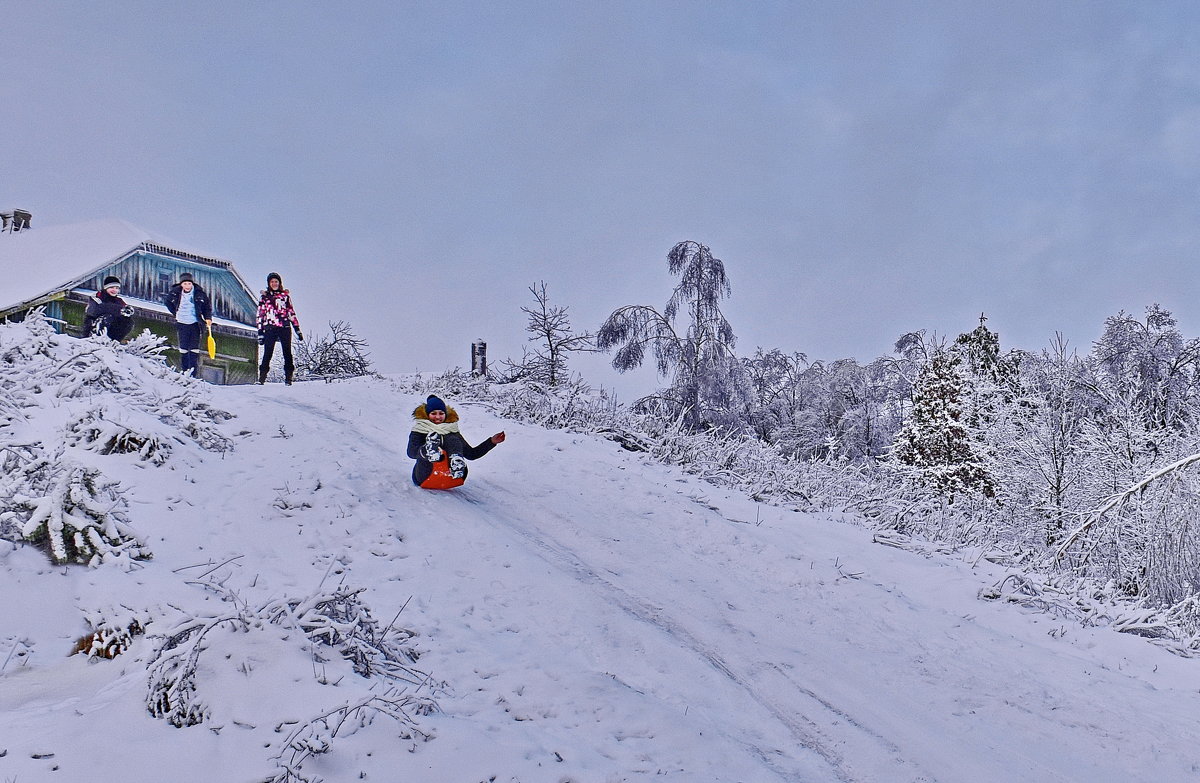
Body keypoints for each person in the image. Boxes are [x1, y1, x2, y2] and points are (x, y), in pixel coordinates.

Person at [407, 395, 505, 488]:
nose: (437, 417)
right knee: (433, 438)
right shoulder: (419, 430)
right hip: (424, 475)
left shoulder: (452, 431)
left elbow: (471, 454)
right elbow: (411, 452)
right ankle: (430, 451)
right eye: (433, 413)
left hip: (454, 477)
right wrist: (425, 451)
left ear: (446, 414)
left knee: (451, 438)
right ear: (427, 415)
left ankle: (456, 463)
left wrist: (492, 442)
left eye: (441, 413)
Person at [256, 271, 303, 385]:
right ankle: (261, 379)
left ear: (279, 283)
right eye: (272, 282)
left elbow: (291, 312)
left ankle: (288, 379)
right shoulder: (265, 297)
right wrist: (260, 332)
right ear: (269, 283)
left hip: (284, 327)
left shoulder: (285, 297)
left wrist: (297, 328)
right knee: (268, 353)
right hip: (270, 328)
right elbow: (260, 315)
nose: (274, 283)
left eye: (276, 281)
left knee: (287, 352)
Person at [164, 272, 213, 377]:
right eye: (185, 284)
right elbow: (167, 302)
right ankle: (185, 372)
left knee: (194, 348)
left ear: (192, 284)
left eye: (189, 284)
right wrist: (175, 312)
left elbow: (206, 307)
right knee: (183, 348)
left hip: (195, 323)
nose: (187, 286)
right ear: (181, 284)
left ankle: (193, 374)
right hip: (181, 322)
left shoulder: (199, 294)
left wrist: (208, 318)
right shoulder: (175, 292)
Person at [82, 275, 135, 341]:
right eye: (111, 287)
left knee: (128, 321)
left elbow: (124, 309)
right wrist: (120, 310)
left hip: (111, 331)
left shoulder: (119, 301)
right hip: (93, 329)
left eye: (117, 288)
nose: (114, 290)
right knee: (107, 317)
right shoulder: (97, 297)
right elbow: (95, 310)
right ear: (105, 288)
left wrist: (127, 312)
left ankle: (114, 342)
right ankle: (98, 340)